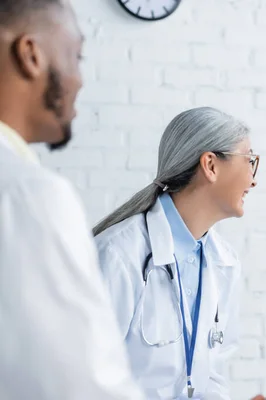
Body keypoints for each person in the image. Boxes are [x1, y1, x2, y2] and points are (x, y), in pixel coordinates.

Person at [0, 0, 144, 398]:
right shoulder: (30, 195)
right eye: (76, 56)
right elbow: (86, 389)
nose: (80, 79)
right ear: (31, 55)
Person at [92, 106, 260, 399]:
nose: (253, 179)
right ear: (210, 165)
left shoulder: (225, 263)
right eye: (249, 161)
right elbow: (86, 376)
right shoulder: (118, 255)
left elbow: (214, 376)